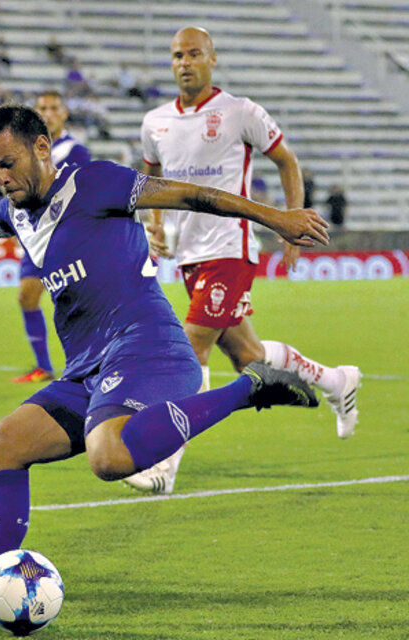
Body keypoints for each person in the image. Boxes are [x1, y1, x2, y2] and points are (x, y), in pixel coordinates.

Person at [0, 103, 327, 626]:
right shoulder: (17, 211)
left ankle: (250, 387)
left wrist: (278, 217)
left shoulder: (96, 182)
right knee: (2, 446)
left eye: (7, 163)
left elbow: (194, 194)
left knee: (109, 457)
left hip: (147, 347)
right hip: (87, 368)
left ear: (41, 148)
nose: (1, 178)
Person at [129, 27, 361, 494]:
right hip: (191, 256)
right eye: (177, 55)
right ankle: (337, 380)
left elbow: (287, 161)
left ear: (213, 58)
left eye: (194, 53)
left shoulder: (239, 111)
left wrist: (289, 222)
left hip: (230, 249)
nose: (184, 62)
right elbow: (148, 179)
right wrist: (153, 225)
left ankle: (163, 466)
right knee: (246, 356)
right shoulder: (155, 122)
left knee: (188, 351)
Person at [11, 90, 92, 384]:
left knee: (77, 304)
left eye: (54, 107)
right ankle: (43, 367)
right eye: (42, 107)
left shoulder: (75, 151)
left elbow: (80, 191)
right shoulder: (25, 150)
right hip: (35, 236)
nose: (48, 112)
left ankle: (91, 363)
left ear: (64, 113)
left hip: (66, 236)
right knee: (27, 296)